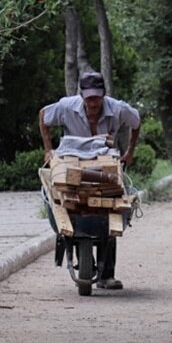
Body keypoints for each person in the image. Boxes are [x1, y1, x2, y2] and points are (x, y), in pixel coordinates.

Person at [39, 70, 141, 289]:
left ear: (103, 94)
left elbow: (136, 121)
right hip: (73, 162)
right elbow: (43, 116)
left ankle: (106, 275)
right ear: (82, 95)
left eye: (97, 97)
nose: (93, 103)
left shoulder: (117, 108)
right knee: (73, 205)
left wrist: (129, 152)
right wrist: (48, 150)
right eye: (89, 98)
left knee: (111, 209)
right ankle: (83, 258)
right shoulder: (67, 107)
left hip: (105, 164)